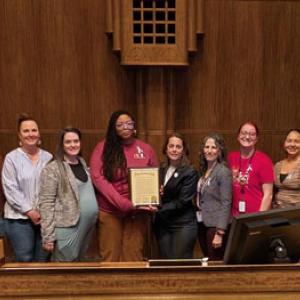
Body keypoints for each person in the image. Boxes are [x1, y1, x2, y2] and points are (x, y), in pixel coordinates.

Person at [90, 110, 158, 262]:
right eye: (120, 125)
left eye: (129, 123)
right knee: (110, 256)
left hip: (138, 213)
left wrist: (156, 195)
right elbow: (98, 178)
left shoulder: (146, 149)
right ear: (113, 128)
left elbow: (154, 177)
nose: (125, 127)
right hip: (110, 211)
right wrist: (125, 204)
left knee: (134, 256)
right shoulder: (102, 148)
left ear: (134, 126)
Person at [38, 127, 98, 261]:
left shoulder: (82, 162)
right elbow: (46, 203)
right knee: (64, 269)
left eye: (76, 141)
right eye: (68, 142)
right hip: (67, 228)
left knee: (79, 266)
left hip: (87, 226)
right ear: (62, 145)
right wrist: (48, 236)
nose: (73, 145)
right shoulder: (52, 169)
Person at [2, 113, 52, 262]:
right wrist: (29, 211)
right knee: (25, 259)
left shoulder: (48, 157)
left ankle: (41, 287)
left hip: (44, 218)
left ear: (39, 133)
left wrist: (44, 212)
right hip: (19, 218)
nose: (31, 134)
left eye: (34, 130)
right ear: (19, 135)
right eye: (26, 131)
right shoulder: (11, 158)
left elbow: (51, 188)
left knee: (43, 260)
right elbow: (10, 188)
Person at [153, 132, 198, 259]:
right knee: (165, 263)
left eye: (178, 147)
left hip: (183, 224)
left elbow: (182, 202)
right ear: (165, 149)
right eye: (171, 146)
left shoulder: (190, 172)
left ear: (184, 150)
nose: (174, 149)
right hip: (163, 224)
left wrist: (158, 208)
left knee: (180, 265)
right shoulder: (161, 169)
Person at [196, 133, 232, 260]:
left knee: (215, 264)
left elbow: (226, 203)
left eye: (213, 147)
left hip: (215, 227)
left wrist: (220, 232)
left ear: (219, 150)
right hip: (203, 224)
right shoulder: (204, 171)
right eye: (207, 147)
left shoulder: (223, 172)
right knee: (208, 261)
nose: (209, 151)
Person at [228, 121, 274, 217]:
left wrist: (259, 218)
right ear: (238, 136)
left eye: (252, 134)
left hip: (255, 216)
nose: (247, 137)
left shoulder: (264, 160)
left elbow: (268, 195)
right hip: (234, 216)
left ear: (256, 139)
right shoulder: (231, 158)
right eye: (244, 133)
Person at [273, 129, 300, 208]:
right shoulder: (278, 165)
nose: (292, 144)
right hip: (277, 213)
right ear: (284, 143)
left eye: (296, 141)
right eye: (289, 141)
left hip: (296, 214)